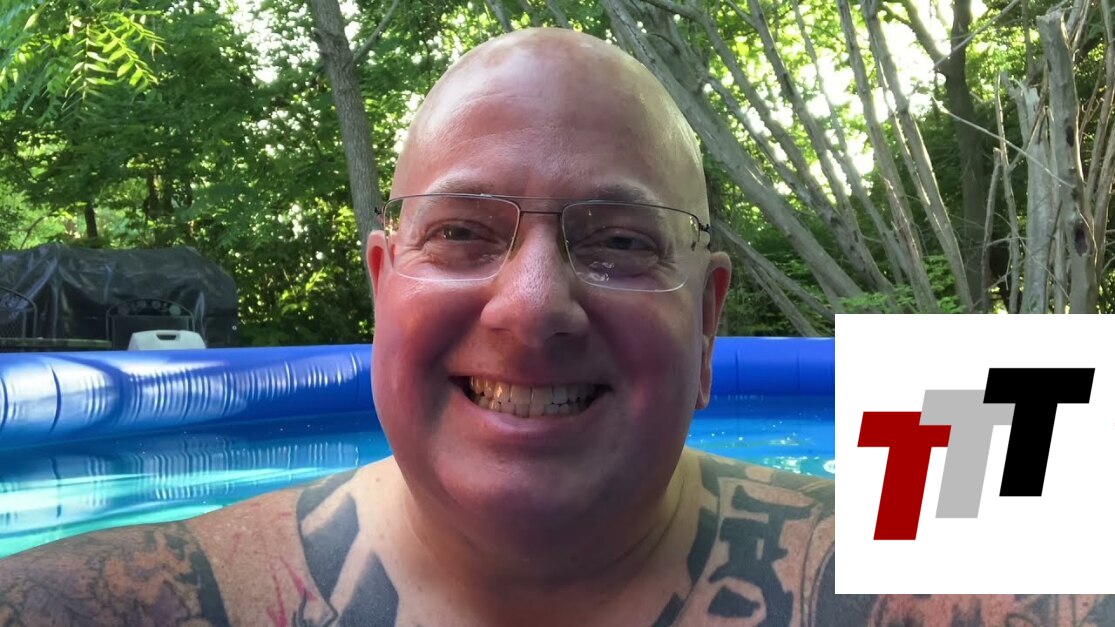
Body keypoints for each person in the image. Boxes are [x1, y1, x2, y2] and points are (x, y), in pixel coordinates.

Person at [0, 27, 1110, 627]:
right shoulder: (115, 598)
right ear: (383, 288)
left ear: (709, 318)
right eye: (462, 232)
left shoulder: (939, 531)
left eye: (619, 240)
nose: (532, 306)